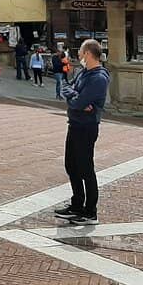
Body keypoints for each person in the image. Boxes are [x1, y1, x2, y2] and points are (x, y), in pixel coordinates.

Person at [54, 39, 109, 225]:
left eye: (80, 53)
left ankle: (90, 211)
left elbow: (78, 102)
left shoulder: (99, 78)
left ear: (87, 54)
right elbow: (66, 88)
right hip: (75, 124)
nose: (78, 56)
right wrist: (75, 98)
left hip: (86, 127)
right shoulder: (83, 72)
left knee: (86, 168)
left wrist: (75, 99)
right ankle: (77, 204)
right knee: (71, 165)